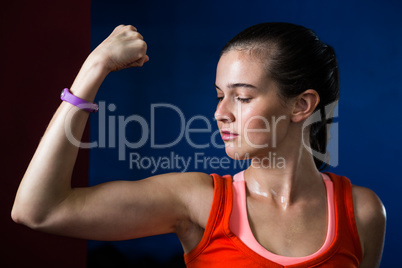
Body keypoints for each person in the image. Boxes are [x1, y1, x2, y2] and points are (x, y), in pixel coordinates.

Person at [12, 23, 386, 267]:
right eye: (219, 95)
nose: (220, 113)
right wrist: (94, 68)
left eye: (241, 97)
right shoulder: (198, 200)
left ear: (301, 105)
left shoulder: (362, 211)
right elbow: (38, 210)